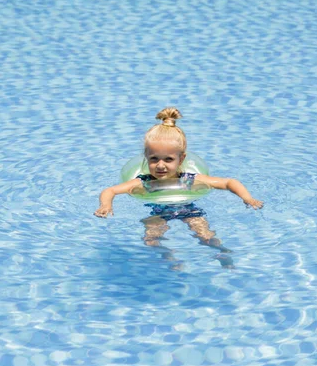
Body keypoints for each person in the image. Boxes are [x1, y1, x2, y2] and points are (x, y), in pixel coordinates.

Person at [94, 107, 263, 268]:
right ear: (146, 157)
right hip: (158, 212)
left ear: (181, 159)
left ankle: (222, 253)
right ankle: (170, 257)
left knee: (205, 237)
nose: (160, 165)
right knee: (150, 240)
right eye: (154, 159)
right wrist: (106, 205)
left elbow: (228, 182)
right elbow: (110, 190)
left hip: (189, 210)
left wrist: (247, 198)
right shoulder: (143, 182)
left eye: (168, 159)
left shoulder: (188, 179)